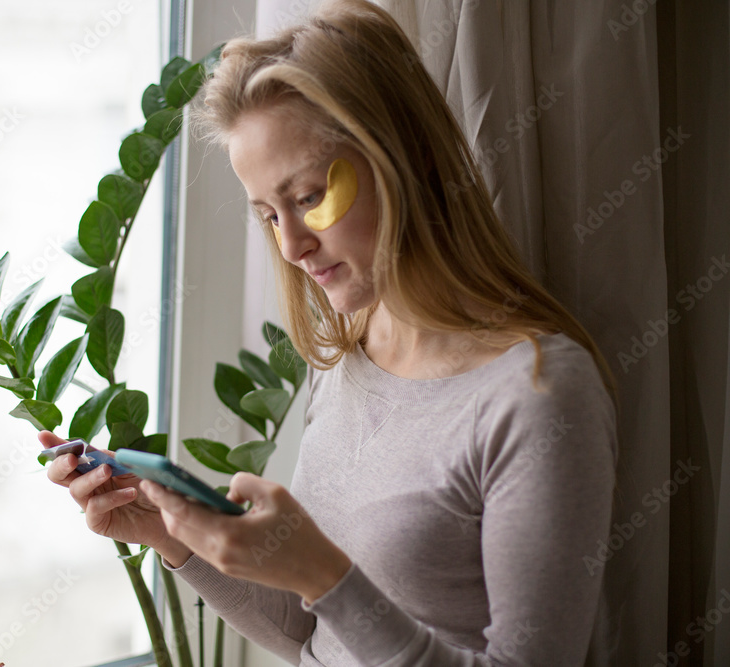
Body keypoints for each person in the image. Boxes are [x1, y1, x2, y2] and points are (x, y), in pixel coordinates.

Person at [41, 0, 619, 664]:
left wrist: (325, 576)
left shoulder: (539, 394)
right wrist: (170, 537)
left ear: (403, 159)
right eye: (267, 214)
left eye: (310, 196)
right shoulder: (348, 358)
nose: (291, 245)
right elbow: (309, 632)